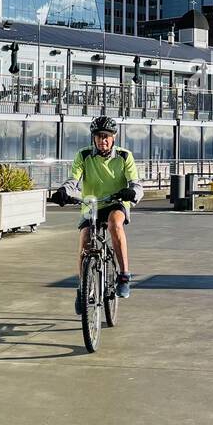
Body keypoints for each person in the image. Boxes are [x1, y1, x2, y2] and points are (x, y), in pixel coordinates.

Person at [63, 115, 144, 314]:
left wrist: (132, 192)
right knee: (85, 239)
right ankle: (83, 288)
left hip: (116, 201)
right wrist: (64, 192)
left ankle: (124, 275)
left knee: (114, 224)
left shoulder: (125, 156)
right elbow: (73, 180)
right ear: (93, 138)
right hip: (91, 204)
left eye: (106, 136)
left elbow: (136, 183)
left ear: (114, 137)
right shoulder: (83, 156)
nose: (102, 140)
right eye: (98, 136)